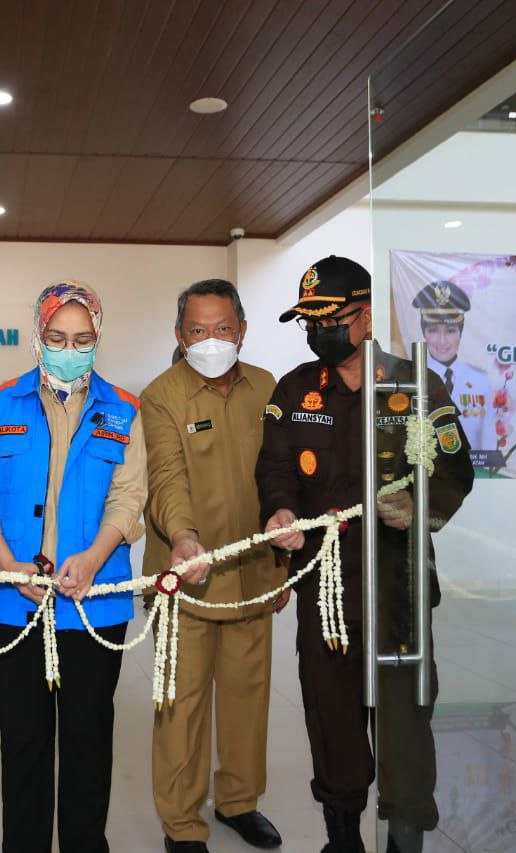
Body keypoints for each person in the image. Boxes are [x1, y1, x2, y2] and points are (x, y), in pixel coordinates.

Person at [256, 256, 474, 853]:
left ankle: (405, 836)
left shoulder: (414, 385)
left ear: (367, 316)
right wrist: (279, 513)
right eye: (311, 322)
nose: (320, 332)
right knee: (331, 720)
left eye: (332, 319)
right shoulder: (295, 389)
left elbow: (453, 470)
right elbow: (274, 470)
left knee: (405, 726)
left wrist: (418, 506)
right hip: (324, 589)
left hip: (397, 588)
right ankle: (343, 837)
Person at [0, 280, 147, 853]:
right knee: (24, 743)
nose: (70, 349)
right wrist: (8, 563)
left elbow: (129, 497)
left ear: (98, 338)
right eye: (58, 337)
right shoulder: (0, 404)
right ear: (38, 338)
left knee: (89, 743)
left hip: (95, 605)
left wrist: (93, 558)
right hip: (14, 604)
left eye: (82, 339)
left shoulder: (123, 409)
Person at [142, 278, 285, 853]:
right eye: (198, 331)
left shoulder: (268, 388)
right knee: (182, 706)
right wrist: (183, 535)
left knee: (249, 701)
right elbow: (165, 477)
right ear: (179, 335)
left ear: (242, 330)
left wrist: (282, 563)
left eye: (223, 328)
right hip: (187, 579)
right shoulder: (161, 396)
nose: (211, 341)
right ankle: (181, 823)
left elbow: (281, 478)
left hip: (254, 574)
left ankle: (239, 802)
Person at [411, 281, 496, 456]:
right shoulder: (411, 378)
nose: (442, 341)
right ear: (424, 333)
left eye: (450, 331)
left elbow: (488, 445)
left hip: (472, 470)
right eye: (433, 330)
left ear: (461, 333)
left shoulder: (480, 380)